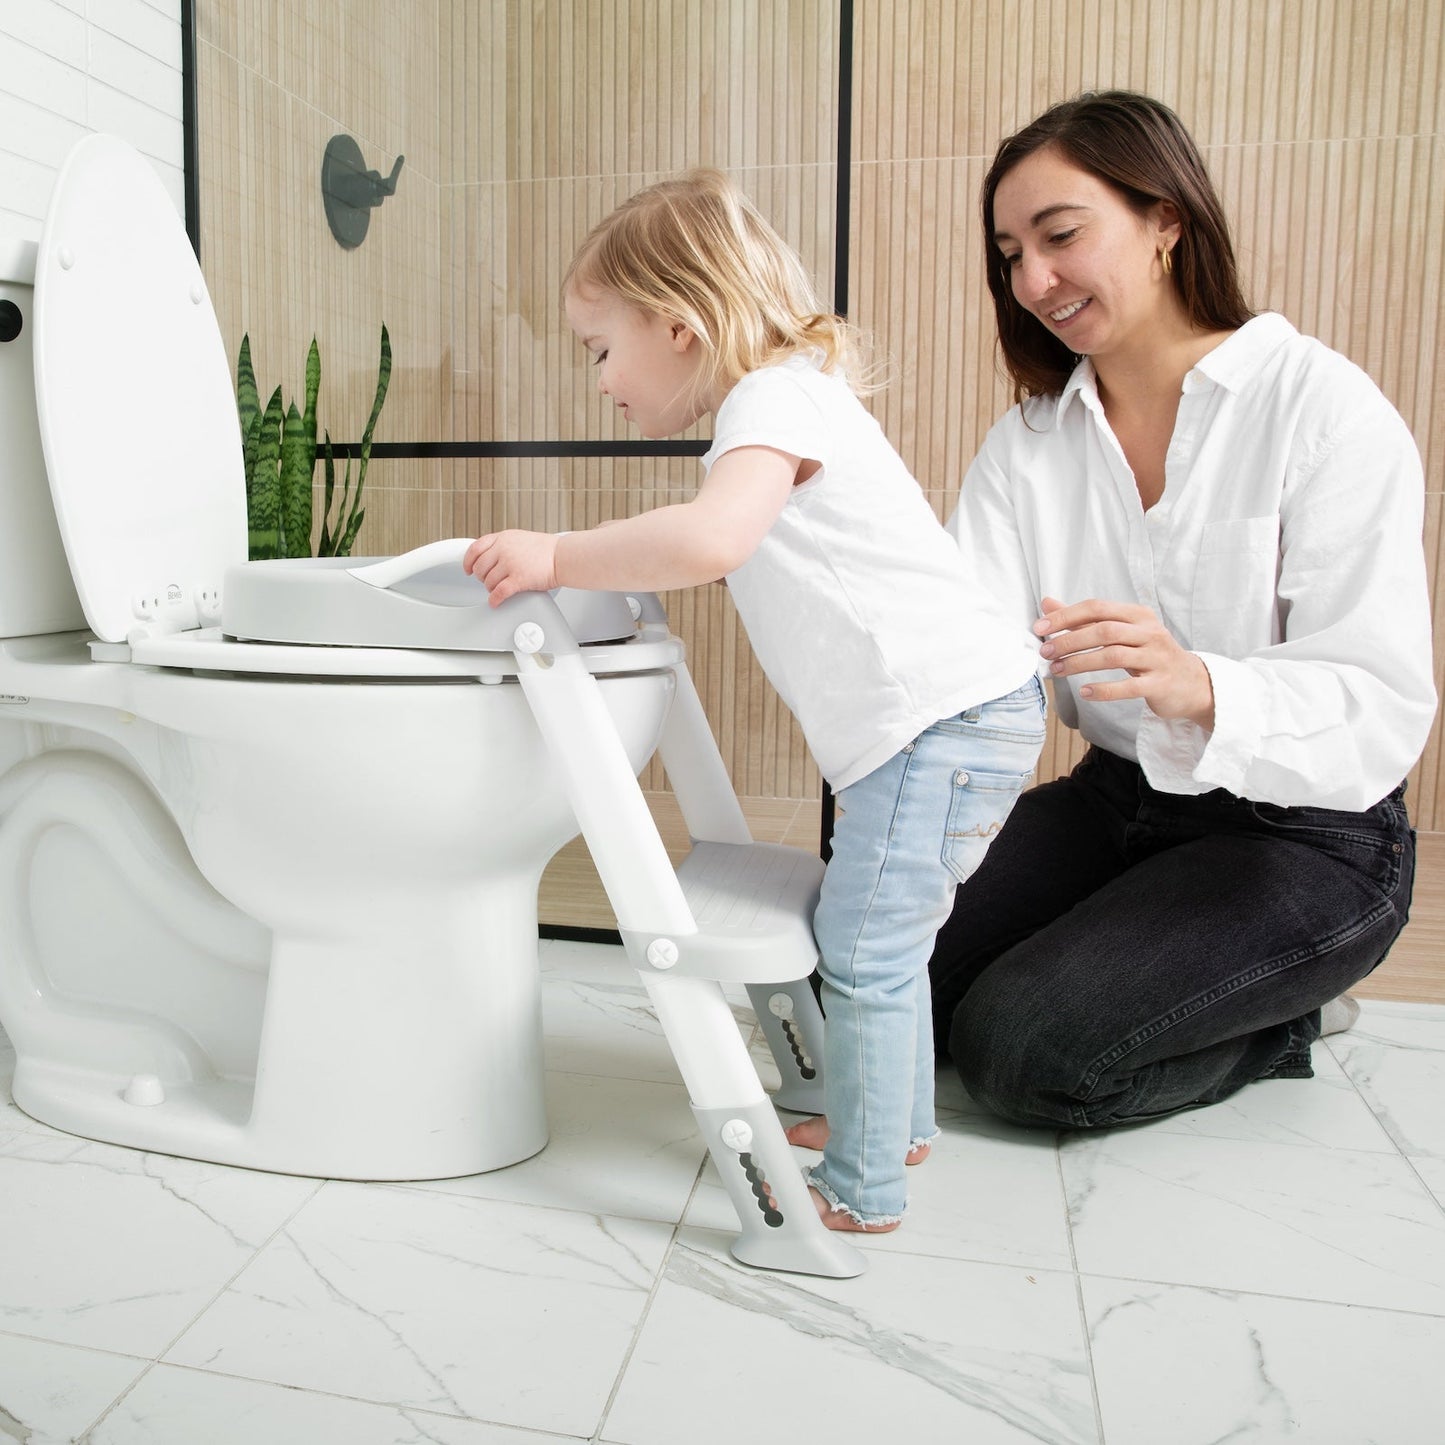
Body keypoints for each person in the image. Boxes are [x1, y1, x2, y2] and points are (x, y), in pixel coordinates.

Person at [463, 170, 1044, 1229]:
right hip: (955, 713)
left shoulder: (769, 399)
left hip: (938, 719)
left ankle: (862, 1187)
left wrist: (556, 552)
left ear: (678, 326)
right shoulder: (787, 397)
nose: (599, 381)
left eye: (600, 347)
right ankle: (894, 1120)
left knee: (864, 952)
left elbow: (709, 537)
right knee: (886, 942)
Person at [930, 90, 1436, 1129]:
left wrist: (1201, 684)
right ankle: (1149, 960)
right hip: (1114, 800)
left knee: (1020, 1050)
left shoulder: (1319, 409)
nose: (1031, 279)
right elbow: (960, 647)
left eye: (1059, 236)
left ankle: (1285, 1016)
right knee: (868, 978)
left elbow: (1379, 701)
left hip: (1306, 834)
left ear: (1165, 219)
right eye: (1008, 253)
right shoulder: (1028, 444)